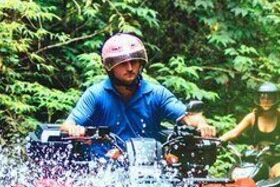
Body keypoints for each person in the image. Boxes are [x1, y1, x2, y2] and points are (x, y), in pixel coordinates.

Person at [60, 33, 216, 142]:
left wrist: (202, 124)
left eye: (134, 62)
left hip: (149, 170)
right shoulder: (96, 94)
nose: (129, 68)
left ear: (141, 63)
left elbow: (188, 117)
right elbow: (67, 124)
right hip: (104, 171)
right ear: (110, 67)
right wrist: (75, 129)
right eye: (122, 63)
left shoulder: (157, 93)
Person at [219, 82, 280, 178]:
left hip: (277, 158)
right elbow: (234, 132)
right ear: (258, 99)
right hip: (257, 158)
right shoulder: (252, 117)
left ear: (276, 99)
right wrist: (220, 140)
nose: (266, 101)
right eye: (263, 98)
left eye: (269, 98)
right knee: (237, 175)